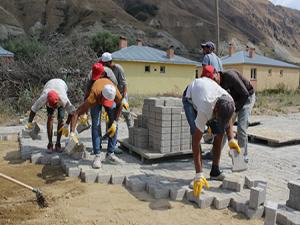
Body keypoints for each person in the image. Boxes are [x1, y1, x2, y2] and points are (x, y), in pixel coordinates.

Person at [182, 77, 240, 197]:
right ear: (215, 110)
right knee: (196, 133)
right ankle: (199, 176)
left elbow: (228, 120)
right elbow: (195, 141)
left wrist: (231, 139)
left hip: (207, 90)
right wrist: (199, 174)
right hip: (190, 98)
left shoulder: (230, 102)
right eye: (219, 118)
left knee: (219, 133)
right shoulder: (205, 108)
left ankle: (215, 171)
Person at [201, 65, 255, 163]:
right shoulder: (215, 86)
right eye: (209, 81)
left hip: (246, 98)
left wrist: (234, 111)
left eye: (213, 79)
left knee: (241, 128)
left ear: (217, 73)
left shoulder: (230, 76)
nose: (212, 82)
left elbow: (245, 94)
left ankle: (241, 158)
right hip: (233, 102)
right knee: (223, 127)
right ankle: (213, 154)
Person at [70, 76, 123, 169]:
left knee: (114, 125)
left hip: (107, 93)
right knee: (96, 124)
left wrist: (115, 121)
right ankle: (97, 156)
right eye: (105, 101)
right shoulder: (94, 95)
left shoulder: (116, 94)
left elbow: (120, 106)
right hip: (96, 99)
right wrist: (72, 133)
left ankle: (110, 154)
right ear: (102, 95)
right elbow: (76, 113)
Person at [26, 78, 75, 153]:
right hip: (49, 85)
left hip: (61, 85)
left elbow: (72, 112)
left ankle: (58, 144)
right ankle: (50, 144)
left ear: (58, 101)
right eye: (52, 106)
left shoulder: (63, 99)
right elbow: (33, 109)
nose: (54, 108)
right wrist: (29, 123)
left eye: (55, 106)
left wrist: (67, 125)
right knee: (50, 117)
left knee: (61, 119)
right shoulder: (44, 98)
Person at [100, 52, 133, 129]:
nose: (104, 65)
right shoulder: (106, 70)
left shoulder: (118, 68)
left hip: (121, 94)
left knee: (126, 113)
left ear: (109, 62)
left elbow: (124, 84)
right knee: (110, 114)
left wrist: (124, 98)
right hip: (111, 95)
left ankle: (131, 132)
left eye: (105, 63)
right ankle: (109, 133)